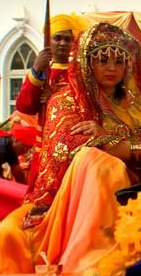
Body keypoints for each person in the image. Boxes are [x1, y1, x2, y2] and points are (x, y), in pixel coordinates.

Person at [0, 23, 141, 274]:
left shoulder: (138, 103)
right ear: (87, 63)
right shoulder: (65, 101)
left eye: (118, 61)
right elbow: (73, 146)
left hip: (137, 190)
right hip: (70, 195)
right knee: (98, 161)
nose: (111, 68)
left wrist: (110, 138)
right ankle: (90, 257)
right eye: (102, 60)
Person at [15, 13, 89, 190]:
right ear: (49, 41)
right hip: (45, 143)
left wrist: (56, 100)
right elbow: (25, 106)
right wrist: (36, 69)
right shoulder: (42, 70)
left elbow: (88, 106)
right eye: (57, 38)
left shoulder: (82, 72)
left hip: (73, 142)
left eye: (67, 39)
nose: (62, 43)